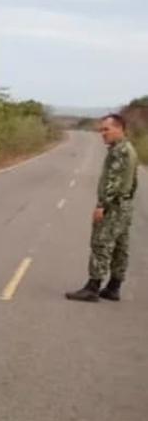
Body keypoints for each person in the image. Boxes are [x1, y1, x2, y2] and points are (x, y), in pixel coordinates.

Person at [66, 113, 139, 302]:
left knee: (101, 243)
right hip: (125, 204)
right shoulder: (129, 149)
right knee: (120, 247)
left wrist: (102, 205)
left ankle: (93, 287)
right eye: (101, 129)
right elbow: (133, 181)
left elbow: (113, 182)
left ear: (119, 128)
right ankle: (114, 287)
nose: (102, 133)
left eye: (106, 129)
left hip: (114, 205)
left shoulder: (119, 151)